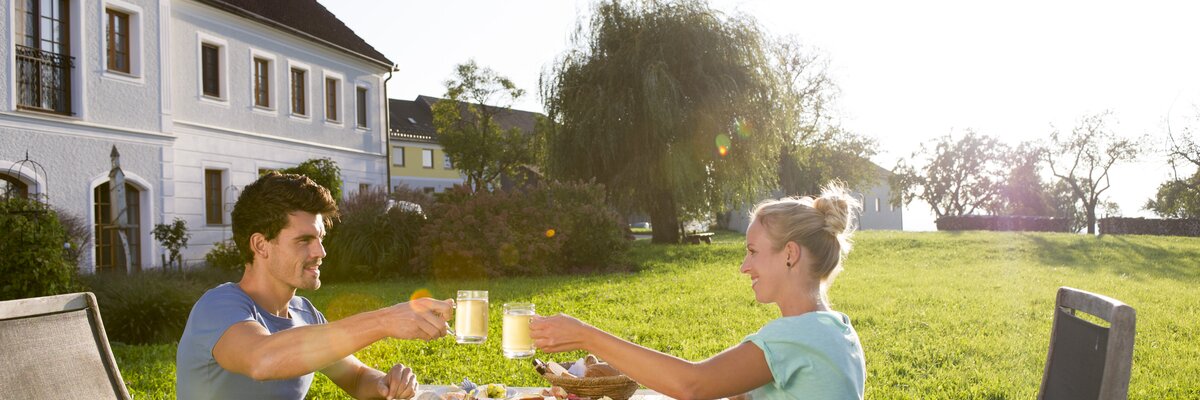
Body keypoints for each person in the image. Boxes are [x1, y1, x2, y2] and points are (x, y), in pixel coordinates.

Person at [530, 183, 866, 400]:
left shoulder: (797, 336)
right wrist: (627, 372)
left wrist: (586, 336)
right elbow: (727, 391)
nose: (744, 267)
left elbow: (694, 384)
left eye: (752, 251)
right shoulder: (835, 329)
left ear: (790, 254)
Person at [177, 172, 454, 400]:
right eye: (304, 240)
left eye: (320, 238)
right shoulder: (217, 308)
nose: (321, 251)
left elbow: (356, 378)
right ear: (261, 245)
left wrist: (386, 383)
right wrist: (386, 319)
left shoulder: (304, 314)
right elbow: (262, 359)